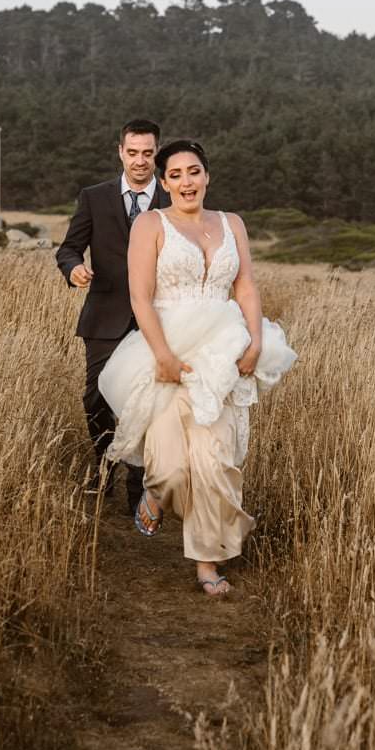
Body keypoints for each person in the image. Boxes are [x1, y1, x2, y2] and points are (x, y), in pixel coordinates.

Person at [98, 139, 297, 596]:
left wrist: (254, 342)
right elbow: (139, 297)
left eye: (194, 172)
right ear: (164, 183)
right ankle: (154, 492)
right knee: (170, 468)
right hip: (170, 351)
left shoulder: (232, 224)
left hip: (222, 352)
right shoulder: (151, 224)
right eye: (176, 175)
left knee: (215, 461)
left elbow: (245, 286)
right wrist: (164, 356)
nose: (187, 182)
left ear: (207, 176)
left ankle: (208, 564)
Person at [55, 119, 171, 513]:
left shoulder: (173, 199)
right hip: (104, 315)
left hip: (159, 318)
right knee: (96, 396)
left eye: (148, 153)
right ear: (120, 151)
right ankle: (104, 464)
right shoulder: (94, 197)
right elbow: (68, 248)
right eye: (133, 152)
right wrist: (74, 269)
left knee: (149, 400)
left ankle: (138, 484)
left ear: (157, 154)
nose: (140, 161)